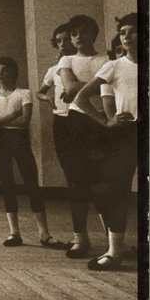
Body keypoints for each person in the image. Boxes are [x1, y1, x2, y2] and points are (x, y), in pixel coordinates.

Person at [73, 13, 139, 271]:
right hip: (125, 134)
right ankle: (114, 252)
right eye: (123, 32)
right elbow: (80, 97)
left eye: (133, 31)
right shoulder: (114, 66)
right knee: (116, 192)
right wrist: (106, 122)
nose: (127, 37)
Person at [0, 57, 66, 248]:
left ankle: (44, 234)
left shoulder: (24, 93)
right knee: (7, 185)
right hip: (1, 141)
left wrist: (1, 119)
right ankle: (14, 233)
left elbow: (25, 121)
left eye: (4, 69)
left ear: (13, 72)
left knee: (32, 184)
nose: (0, 73)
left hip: (20, 140)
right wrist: (13, 115)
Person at [57, 15, 110, 258]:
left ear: (94, 34)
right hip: (76, 124)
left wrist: (83, 85)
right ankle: (80, 239)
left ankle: (112, 240)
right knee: (77, 182)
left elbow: (113, 86)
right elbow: (69, 87)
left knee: (102, 183)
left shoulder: (108, 59)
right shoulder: (66, 59)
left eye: (83, 32)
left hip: (102, 121)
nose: (78, 37)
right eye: (74, 34)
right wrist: (101, 84)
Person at [35, 23, 77, 186]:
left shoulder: (82, 63)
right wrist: (47, 99)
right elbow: (40, 92)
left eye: (66, 39)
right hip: (61, 119)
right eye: (59, 41)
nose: (63, 44)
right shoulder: (53, 70)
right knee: (67, 162)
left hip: (82, 117)